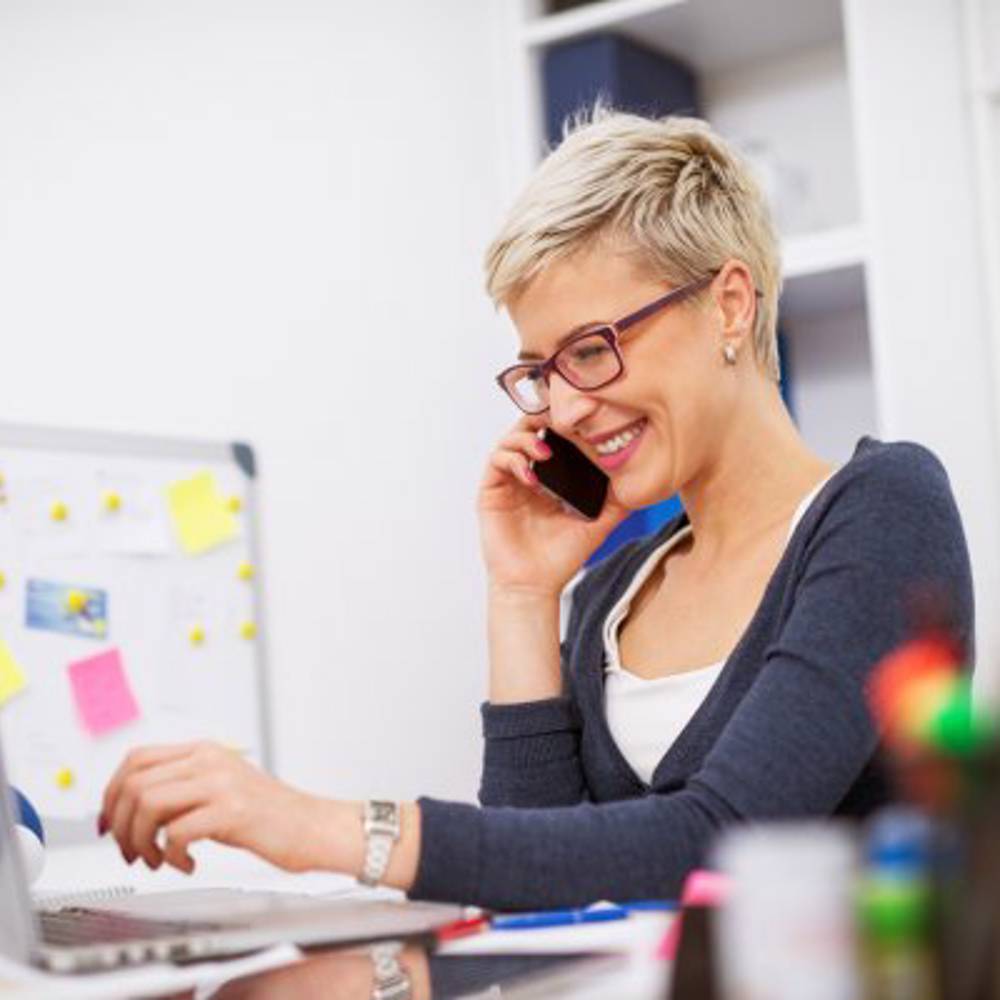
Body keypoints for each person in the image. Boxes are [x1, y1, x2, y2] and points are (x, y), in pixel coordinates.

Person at [100, 110, 974, 909]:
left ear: (730, 305)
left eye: (591, 350)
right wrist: (522, 596)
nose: (560, 410)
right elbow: (538, 909)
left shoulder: (883, 508)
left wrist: (322, 830)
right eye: (540, 371)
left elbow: (717, 840)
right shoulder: (610, 593)